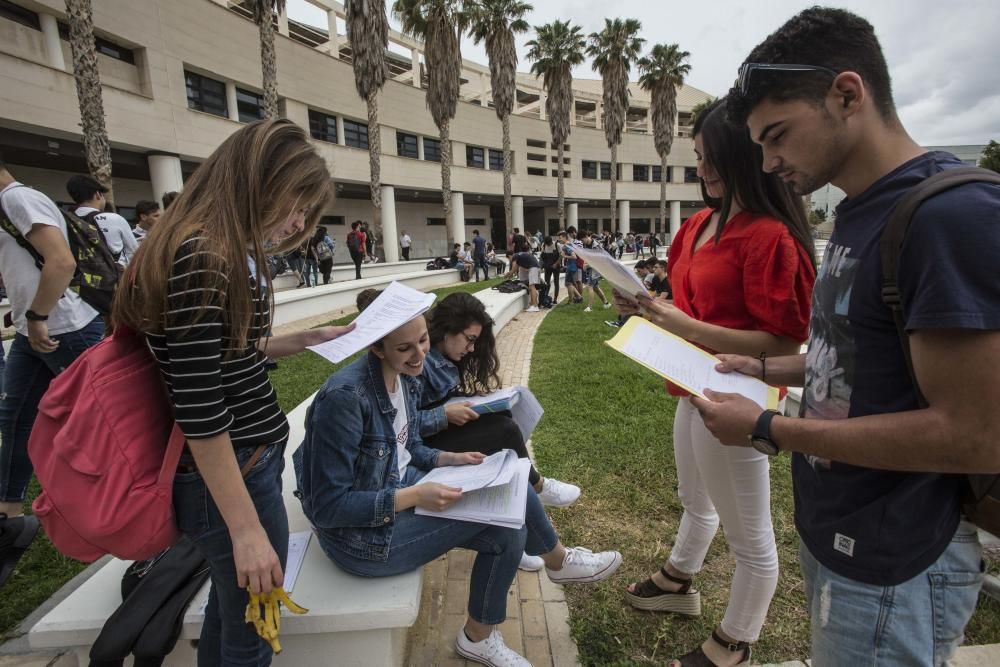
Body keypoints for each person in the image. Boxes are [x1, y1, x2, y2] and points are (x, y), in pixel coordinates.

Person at [692, 8, 1000, 666]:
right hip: (846, 536)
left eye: (777, 136)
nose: (769, 162)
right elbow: (854, 355)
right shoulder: (859, 211)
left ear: (847, 94)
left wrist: (770, 429)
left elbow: (971, 431)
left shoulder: (950, 217)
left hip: (897, 559)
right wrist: (767, 367)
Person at [112, 119, 354, 664]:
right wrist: (245, 530)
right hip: (233, 477)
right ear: (260, 181)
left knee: (232, 614)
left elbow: (223, 355)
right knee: (254, 630)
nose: (296, 224)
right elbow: (200, 409)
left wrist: (305, 338)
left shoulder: (207, 246)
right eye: (296, 206)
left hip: (245, 468)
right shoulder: (203, 255)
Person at [294, 290, 621, 667]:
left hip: (402, 486)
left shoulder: (405, 377)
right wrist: (415, 496)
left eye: (422, 341)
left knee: (509, 496)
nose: (419, 356)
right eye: (405, 349)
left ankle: (479, 636)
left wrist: (449, 458)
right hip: (361, 539)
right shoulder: (346, 398)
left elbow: (408, 444)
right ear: (377, 349)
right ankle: (558, 562)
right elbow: (328, 507)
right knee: (508, 525)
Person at [615, 98, 816, 667]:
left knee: (750, 539)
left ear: (747, 159)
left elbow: (782, 345)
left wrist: (682, 322)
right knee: (694, 500)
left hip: (737, 394)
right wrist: (646, 305)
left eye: (713, 160)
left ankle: (734, 642)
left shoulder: (772, 238)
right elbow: (682, 300)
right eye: (698, 158)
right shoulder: (700, 223)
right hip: (689, 383)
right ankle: (679, 578)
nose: (701, 171)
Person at [0, 155, 105, 589]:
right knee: (16, 417)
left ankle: (126, 502)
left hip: (66, 329)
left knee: (99, 420)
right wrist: (27, 314)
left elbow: (60, 262)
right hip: (34, 329)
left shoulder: (19, 199)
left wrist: (39, 313)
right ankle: (9, 518)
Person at [67, 175, 138, 266]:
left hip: (79, 277)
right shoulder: (113, 218)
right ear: (98, 194)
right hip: (114, 277)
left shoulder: (67, 221)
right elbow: (134, 253)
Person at [579, 231, 611, 313]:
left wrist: (588, 265)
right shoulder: (586, 244)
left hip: (596, 268)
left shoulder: (596, 246)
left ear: (586, 236)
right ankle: (606, 303)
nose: (582, 242)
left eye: (582, 240)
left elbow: (600, 259)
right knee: (595, 287)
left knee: (589, 286)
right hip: (592, 267)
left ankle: (589, 307)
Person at [558, 231, 582, 304]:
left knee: (568, 284)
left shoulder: (567, 246)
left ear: (565, 237)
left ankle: (571, 301)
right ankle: (579, 297)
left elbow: (574, 256)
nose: (559, 239)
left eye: (560, 238)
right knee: (570, 283)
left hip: (571, 267)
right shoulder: (568, 245)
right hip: (572, 267)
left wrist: (565, 256)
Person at [539, 235, 561, 304]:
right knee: (547, 282)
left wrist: (556, 264)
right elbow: (542, 256)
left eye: (549, 244)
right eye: (547, 244)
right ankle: (545, 297)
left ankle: (555, 298)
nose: (548, 245)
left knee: (556, 282)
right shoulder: (544, 245)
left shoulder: (557, 245)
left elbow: (561, 256)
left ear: (551, 241)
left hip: (556, 266)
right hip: (547, 266)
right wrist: (541, 266)